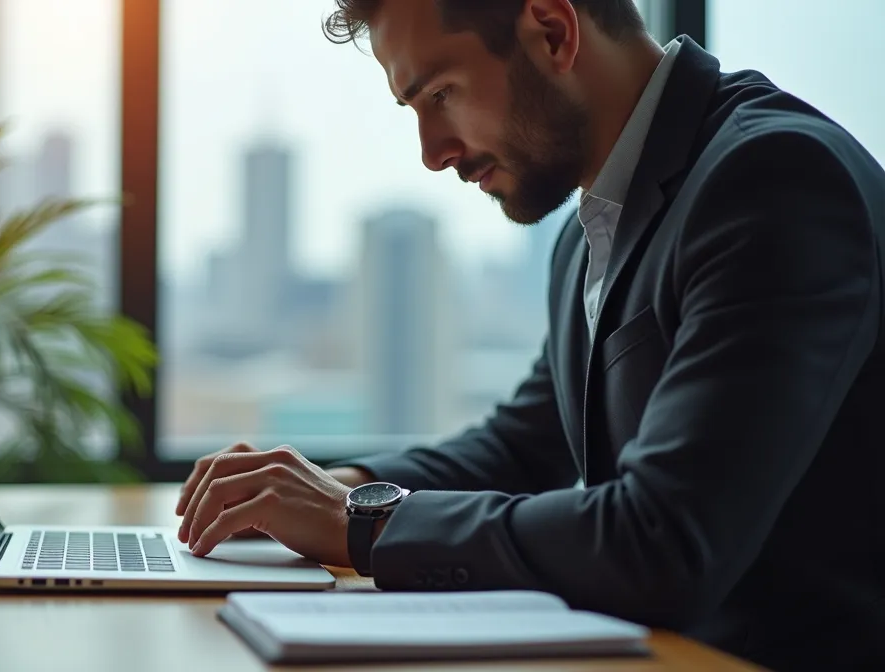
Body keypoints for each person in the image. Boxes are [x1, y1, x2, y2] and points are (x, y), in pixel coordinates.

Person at [174, 1, 885, 670]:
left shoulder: (773, 180)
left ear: (551, 29)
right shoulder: (592, 232)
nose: (432, 151)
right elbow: (524, 444)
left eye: (441, 94)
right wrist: (336, 488)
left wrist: (363, 525)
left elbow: (662, 543)